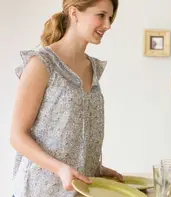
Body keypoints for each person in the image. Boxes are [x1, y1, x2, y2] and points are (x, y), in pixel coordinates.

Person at [10, 0, 123, 196]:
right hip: (39, 191)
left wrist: (96, 168)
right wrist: (60, 169)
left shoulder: (93, 68)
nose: (108, 25)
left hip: (80, 192)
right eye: (101, 15)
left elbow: (74, 132)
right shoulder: (42, 64)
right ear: (74, 13)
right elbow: (17, 136)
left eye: (110, 17)